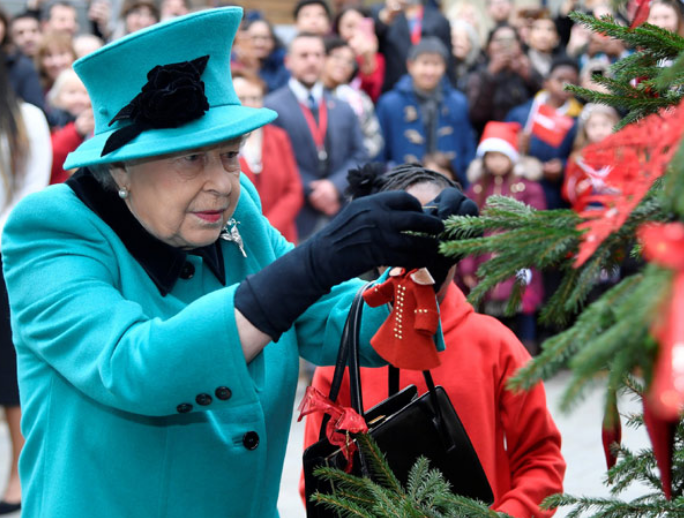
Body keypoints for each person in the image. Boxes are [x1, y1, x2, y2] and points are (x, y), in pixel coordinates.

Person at [1, 8, 476, 518]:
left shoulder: (235, 209)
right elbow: (136, 367)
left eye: (231, 155)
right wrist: (314, 263)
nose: (224, 182)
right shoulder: (51, 230)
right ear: (120, 166)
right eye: (191, 158)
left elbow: (337, 324)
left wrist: (424, 259)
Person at [301, 163, 565, 518]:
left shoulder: (496, 345)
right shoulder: (341, 357)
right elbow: (320, 485)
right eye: (404, 237)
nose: (420, 258)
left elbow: (541, 460)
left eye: (436, 238)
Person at [0, 48, 52, 517]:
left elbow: (28, 198)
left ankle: (20, 470)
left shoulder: (28, 120)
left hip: (5, 259)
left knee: (11, 376)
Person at [265, 32, 367, 239]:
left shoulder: (344, 108)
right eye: (304, 56)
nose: (312, 61)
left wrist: (334, 186)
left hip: (339, 213)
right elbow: (273, 161)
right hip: (296, 217)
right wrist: (312, 189)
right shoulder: (271, 107)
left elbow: (360, 155)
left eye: (317, 55)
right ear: (288, 61)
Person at [460, 121, 546, 350]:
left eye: (501, 156)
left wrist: (528, 252)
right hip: (486, 260)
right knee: (491, 312)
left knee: (523, 306)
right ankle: (495, 353)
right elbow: (469, 229)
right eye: (491, 156)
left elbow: (537, 223)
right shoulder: (477, 189)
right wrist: (467, 266)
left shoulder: (527, 188)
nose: (496, 162)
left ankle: (527, 351)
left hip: (519, 259)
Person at [376, 38, 474, 186]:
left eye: (436, 64)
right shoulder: (390, 103)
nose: (430, 71)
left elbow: (467, 146)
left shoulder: (457, 102)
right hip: (402, 187)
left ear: (444, 67)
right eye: (425, 63)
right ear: (410, 65)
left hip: (449, 185)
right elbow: (380, 153)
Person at [232, 71, 303, 243]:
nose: (250, 104)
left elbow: (294, 189)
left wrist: (267, 227)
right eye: (242, 98)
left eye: (255, 98)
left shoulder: (278, 137)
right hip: (241, 238)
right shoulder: (223, 144)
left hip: (280, 236)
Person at [505, 57, 582, 210]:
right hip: (517, 192)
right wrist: (517, 147)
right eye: (560, 80)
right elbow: (500, 147)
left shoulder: (577, 121)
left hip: (553, 197)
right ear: (546, 82)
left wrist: (563, 166)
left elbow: (581, 154)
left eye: (572, 81)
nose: (566, 86)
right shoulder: (521, 113)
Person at [465, 23, 540, 136]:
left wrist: (527, 74)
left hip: (521, 135)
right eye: (499, 40)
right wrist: (491, 73)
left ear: (519, 45)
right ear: (488, 47)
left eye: (510, 40)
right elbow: (475, 115)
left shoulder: (526, 69)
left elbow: (545, 100)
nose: (504, 45)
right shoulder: (477, 74)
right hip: (488, 138)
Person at [322, 36, 383, 161]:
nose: (343, 64)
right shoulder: (309, 95)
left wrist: (355, 157)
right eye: (337, 57)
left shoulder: (359, 99)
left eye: (349, 61)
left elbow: (374, 138)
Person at [372, 0, 453, 93]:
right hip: (394, 88)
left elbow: (448, 61)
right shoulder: (383, 15)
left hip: (433, 90)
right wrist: (385, 17)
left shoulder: (438, 20)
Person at [562, 103, 620, 212]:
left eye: (605, 124)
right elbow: (568, 190)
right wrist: (578, 188)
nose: (599, 130)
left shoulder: (622, 154)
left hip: (615, 213)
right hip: (586, 212)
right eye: (593, 126)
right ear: (585, 130)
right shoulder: (578, 158)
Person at [47, 68, 93, 183]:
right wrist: (76, 132)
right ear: (57, 96)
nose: (79, 99)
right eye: (72, 92)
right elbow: (49, 158)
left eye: (85, 93)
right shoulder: (51, 122)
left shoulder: (95, 122)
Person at [334, 6, 385, 102]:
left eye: (360, 27)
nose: (354, 32)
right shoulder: (331, 55)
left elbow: (373, 93)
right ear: (338, 29)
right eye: (349, 26)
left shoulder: (377, 58)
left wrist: (368, 57)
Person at [237, 15, 290, 94]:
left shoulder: (281, 63)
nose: (259, 43)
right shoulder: (233, 62)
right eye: (254, 38)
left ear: (273, 41)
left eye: (265, 38)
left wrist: (254, 67)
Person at [33, 30, 76, 94]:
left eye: (62, 53)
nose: (56, 62)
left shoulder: (86, 87)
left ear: (73, 55)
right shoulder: (36, 91)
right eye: (49, 55)